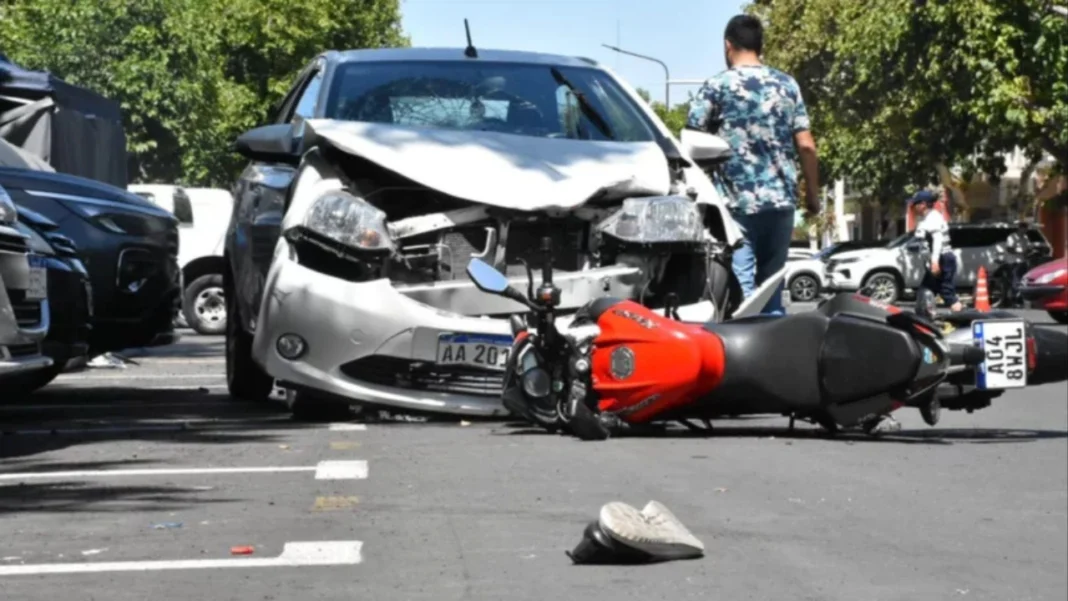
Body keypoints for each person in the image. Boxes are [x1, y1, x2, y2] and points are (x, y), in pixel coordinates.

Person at [687, 14, 821, 315]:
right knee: (772, 287)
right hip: (781, 205)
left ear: (727, 45)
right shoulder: (788, 85)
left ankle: (745, 356)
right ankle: (775, 352)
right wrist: (812, 195)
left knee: (742, 290)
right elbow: (807, 145)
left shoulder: (716, 87)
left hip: (737, 206)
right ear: (760, 46)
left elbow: (692, 144)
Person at [911, 189, 963, 314]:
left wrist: (935, 262)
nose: (914, 207)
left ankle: (961, 318)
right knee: (925, 291)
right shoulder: (926, 219)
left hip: (943, 259)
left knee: (947, 292)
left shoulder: (933, 217)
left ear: (923, 204)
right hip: (936, 260)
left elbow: (937, 240)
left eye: (916, 204)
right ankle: (925, 317)